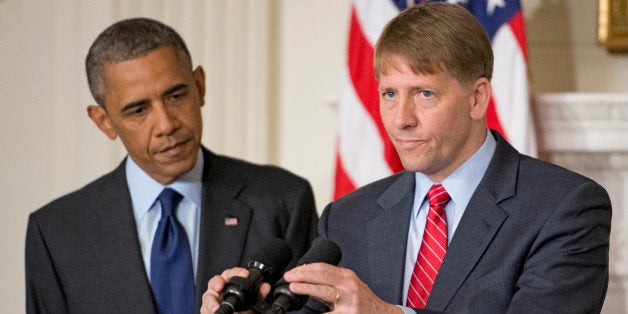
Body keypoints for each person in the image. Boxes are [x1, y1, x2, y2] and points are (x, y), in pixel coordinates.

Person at [201, 3, 612, 313]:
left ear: (477, 98)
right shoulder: (347, 218)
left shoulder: (565, 207)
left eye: (424, 94)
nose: (401, 120)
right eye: (390, 94)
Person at [25, 17, 318, 314]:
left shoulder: (283, 201)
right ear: (104, 121)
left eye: (176, 96)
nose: (166, 125)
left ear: (200, 86)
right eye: (138, 110)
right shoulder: (56, 232)